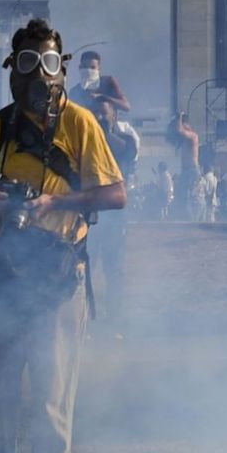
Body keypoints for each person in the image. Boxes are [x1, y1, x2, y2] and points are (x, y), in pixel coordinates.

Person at [0, 18, 125, 453]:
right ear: (13, 69)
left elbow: (115, 194)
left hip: (56, 281)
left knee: (53, 403)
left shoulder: (80, 124)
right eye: (29, 63)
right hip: (1, 279)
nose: (40, 74)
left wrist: (56, 202)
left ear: (62, 67)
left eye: (49, 63)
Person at [73, 51, 139, 320]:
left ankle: (114, 318)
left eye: (103, 115)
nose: (99, 118)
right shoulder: (84, 140)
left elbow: (126, 106)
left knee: (113, 268)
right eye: (85, 66)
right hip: (88, 212)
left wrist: (105, 104)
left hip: (113, 216)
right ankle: (85, 318)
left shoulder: (124, 140)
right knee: (83, 265)